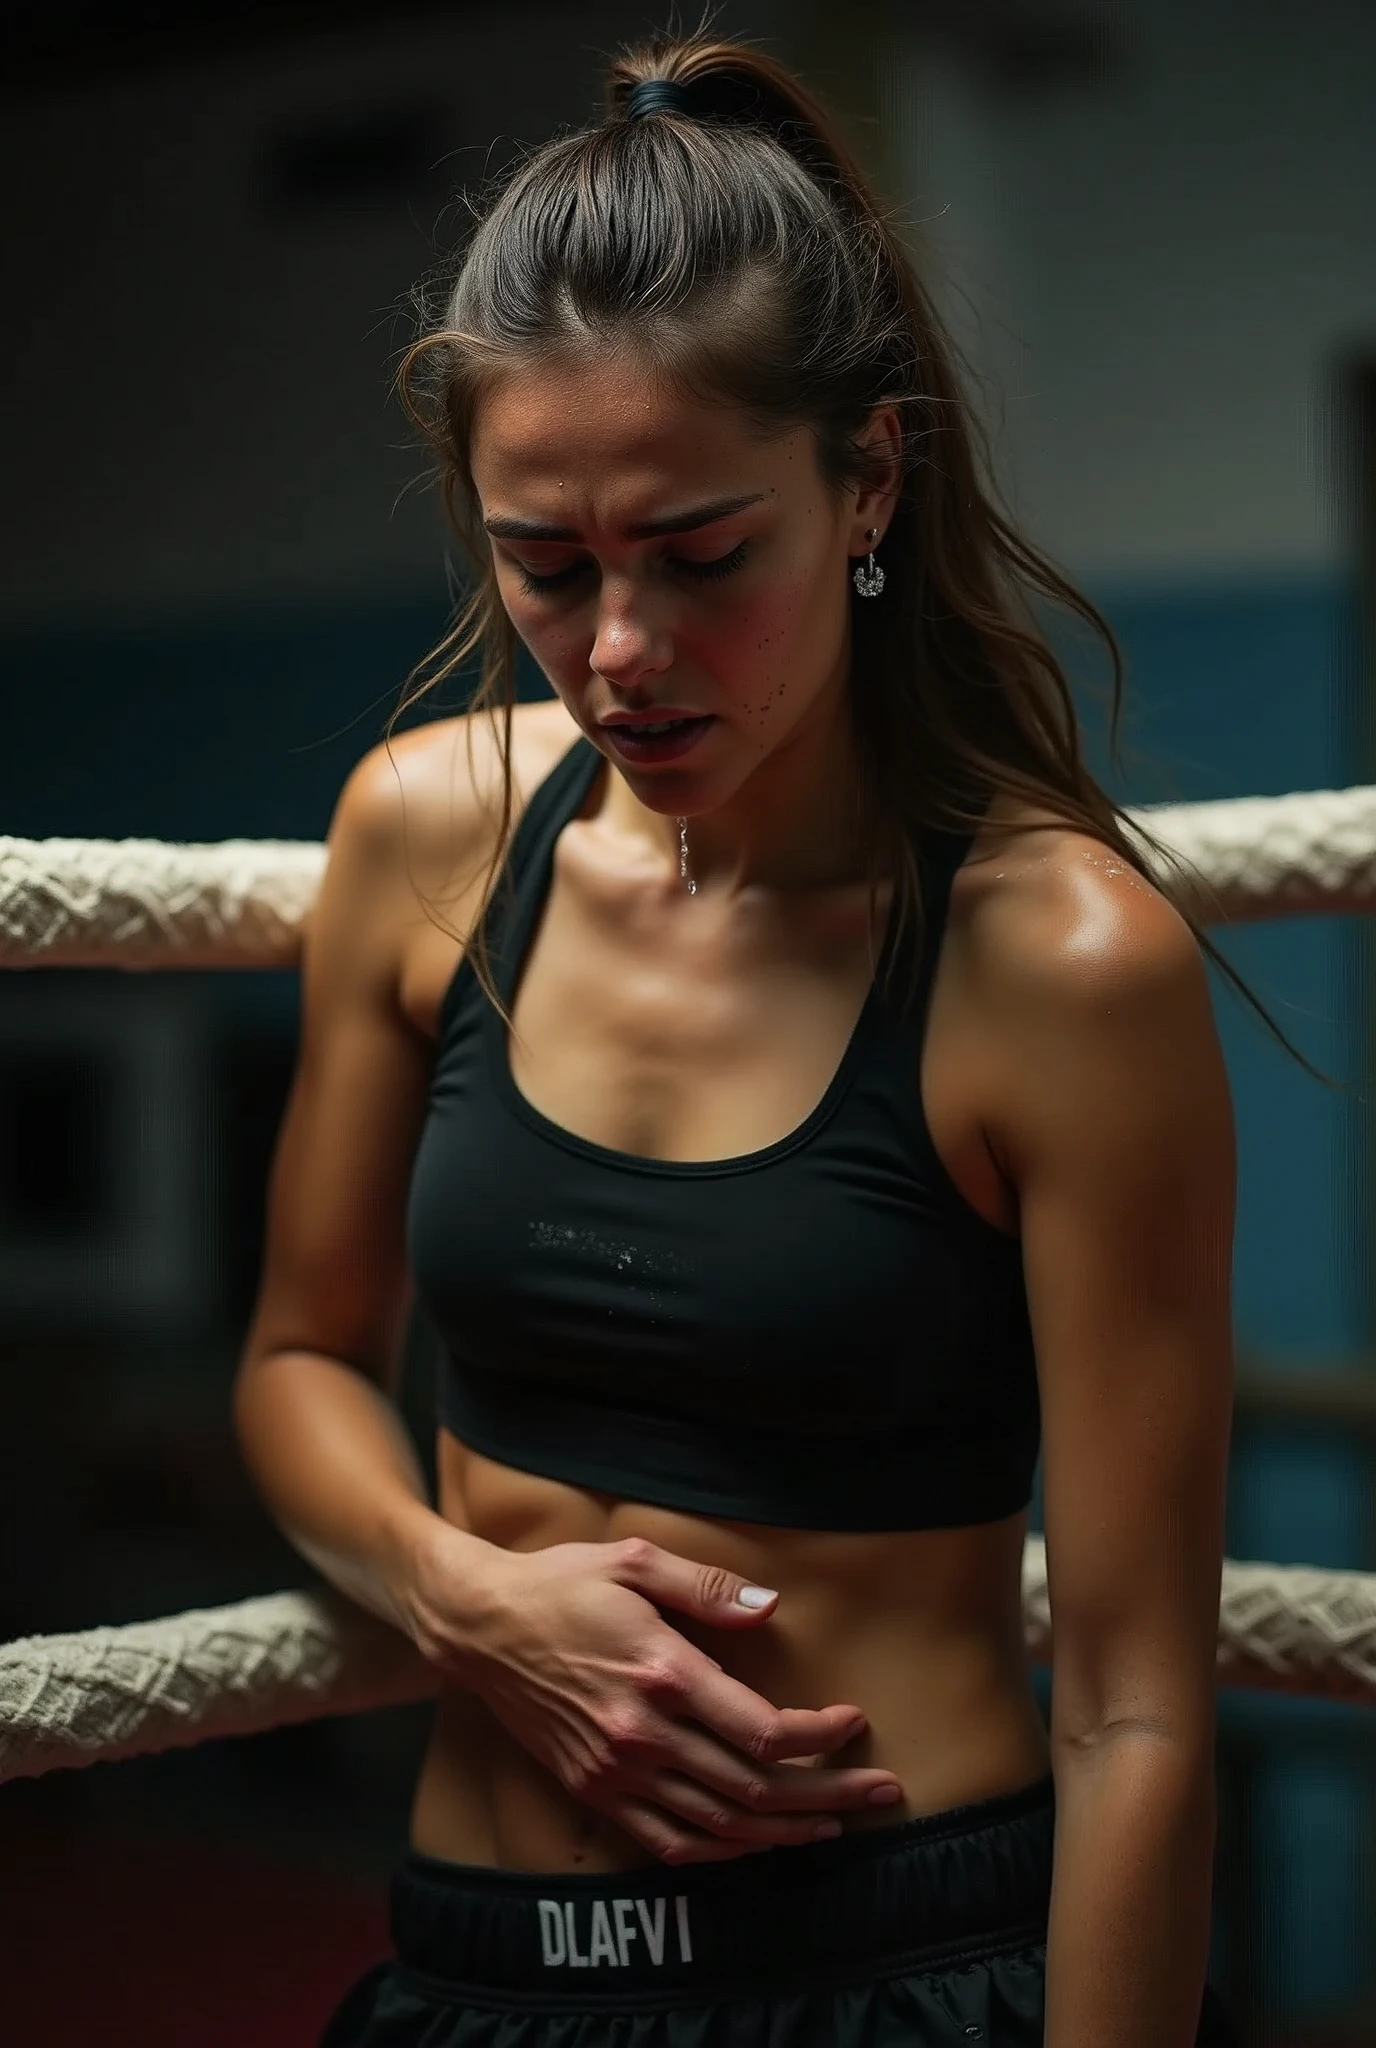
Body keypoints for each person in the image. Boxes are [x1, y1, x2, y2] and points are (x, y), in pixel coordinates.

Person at [232, 30, 1255, 2047]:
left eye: (701, 556)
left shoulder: (1054, 955)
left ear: (865, 474)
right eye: (548, 565)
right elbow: (292, 1358)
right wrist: (468, 1600)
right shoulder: (423, 835)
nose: (621, 648)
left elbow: (1137, 1703)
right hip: (479, 1977)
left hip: (903, 1968)